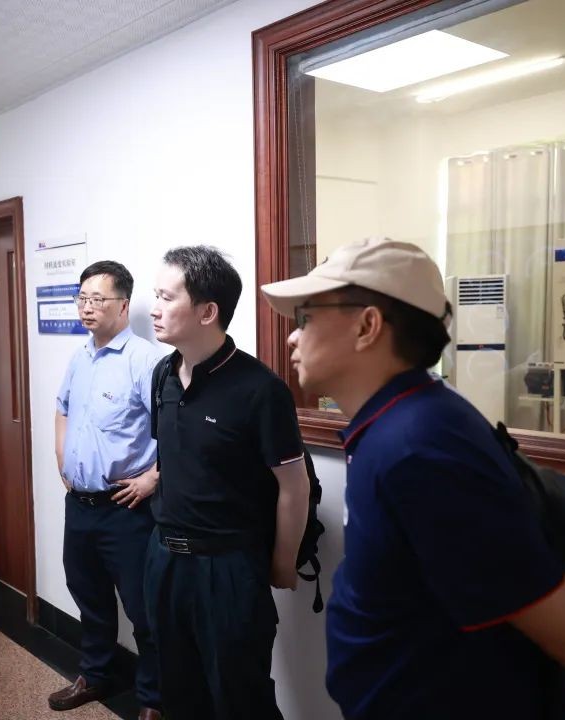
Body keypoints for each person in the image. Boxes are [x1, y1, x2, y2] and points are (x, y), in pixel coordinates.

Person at [260, 237, 565, 720]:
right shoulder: (395, 425)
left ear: (367, 326)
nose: (292, 338)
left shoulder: (421, 448)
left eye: (306, 318)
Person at [145, 246, 309, 720]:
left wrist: (281, 564)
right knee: (179, 692)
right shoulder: (163, 374)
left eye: (166, 297)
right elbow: (173, 461)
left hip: (227, 567)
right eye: (156, 296)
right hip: (164, 558)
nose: (154, 308)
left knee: (240, 697)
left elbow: (294, 486)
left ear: (207, 311)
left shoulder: (260, 389)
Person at [49, 261, 163, 720]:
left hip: (125, 509)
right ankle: (95, 675)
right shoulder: (81, 357)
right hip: (79, 505)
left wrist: (154, 477)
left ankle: (154, 698)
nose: (87, 307)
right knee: (88, 595)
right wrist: (62, 460)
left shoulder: (146, 361)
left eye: (97, 299)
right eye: (82, 298)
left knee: (143, 607)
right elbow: (62, 409)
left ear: (124, 305)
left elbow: (177, 430)